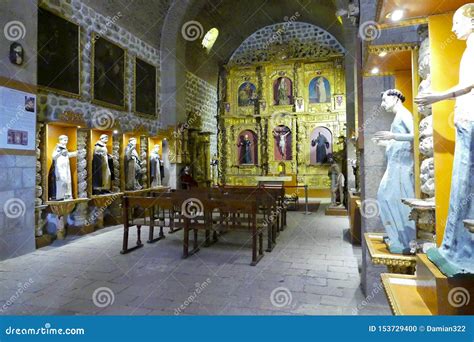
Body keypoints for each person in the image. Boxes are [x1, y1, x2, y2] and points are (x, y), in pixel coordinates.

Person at [414, 3, 474, 275]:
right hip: (465, 120)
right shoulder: (468, 48)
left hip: (470, 120)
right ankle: (453, 246)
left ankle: (460, 248)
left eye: (457, 22)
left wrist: (437, 96)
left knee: (464, 185)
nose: (452, 27)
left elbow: (469, 84)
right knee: (461, 187)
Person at [374, 89, 415, 254]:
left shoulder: (404, 114)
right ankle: (397, 236)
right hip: (395, 163)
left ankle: (405, 237)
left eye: (385, 100)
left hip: (401, 166)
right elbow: (400, 140)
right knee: (385, 196)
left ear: (395, 98)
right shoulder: (398, 116)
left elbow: (414, 135)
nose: (383, 105)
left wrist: (392, 136)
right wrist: (386, 142)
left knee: (392, 197)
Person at [48, 135, 77, 201]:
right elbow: (54, 156)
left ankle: (66, 195)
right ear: (60, 140)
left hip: (65, 167)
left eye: (67, 140)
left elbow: (67, 155)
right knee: (62, 180)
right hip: (60, 167)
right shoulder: (58, 147)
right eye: (64, 140)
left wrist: (75, 153)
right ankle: (59, 196)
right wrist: (60, 152)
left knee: (67, 181)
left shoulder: (64, 148)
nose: (66, 142)